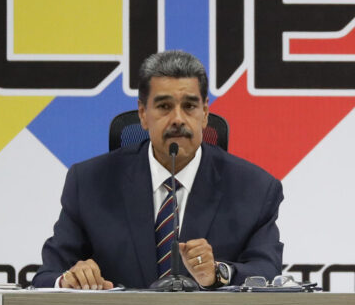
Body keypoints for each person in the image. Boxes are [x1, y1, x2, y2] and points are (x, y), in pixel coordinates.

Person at [32, 50, 283, 290]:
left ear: (205, 113)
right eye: (164, 106)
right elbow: (47, 276)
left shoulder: (254, 188)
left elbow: (267, 273)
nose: (177, 119)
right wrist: (69, 279)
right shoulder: (89, 183)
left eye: (190, 106)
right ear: (143, 114)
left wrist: (220, 273)